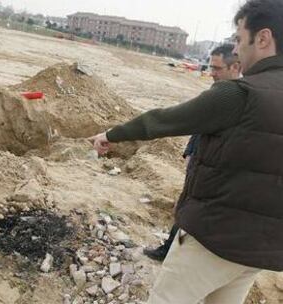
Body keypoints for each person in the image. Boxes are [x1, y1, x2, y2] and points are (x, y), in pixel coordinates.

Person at [88, 0, 283, 303]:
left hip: (212, 240)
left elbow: (164, 120)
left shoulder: (239, 94)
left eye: (238, 38)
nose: (236, 48)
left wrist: (111, 134)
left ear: (262, 38)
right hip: (261, 251)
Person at [143, 44, 241, 262]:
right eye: (211, 67)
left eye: (217, 69)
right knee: (184, 206)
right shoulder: (216, 94)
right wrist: (190, 152)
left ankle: (178, 254)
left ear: (235, 67)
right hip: (200, 163)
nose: (212, 74)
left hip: (217, 173)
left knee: (192, 211)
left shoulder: (243, 99)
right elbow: (200, 128)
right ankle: (169, 249)